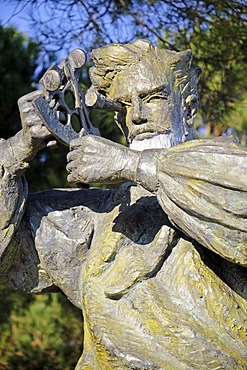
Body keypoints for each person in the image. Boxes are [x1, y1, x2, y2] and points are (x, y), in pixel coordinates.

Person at [0, 39, 246, 369]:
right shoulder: (98, 217)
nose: (137, 116)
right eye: (124, 106)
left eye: (153, 98)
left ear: (187, 106)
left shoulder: (225, 169)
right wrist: (17, 151)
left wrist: (131, 165)